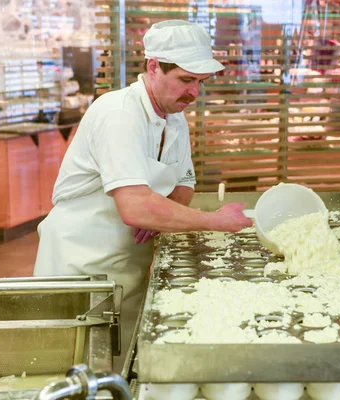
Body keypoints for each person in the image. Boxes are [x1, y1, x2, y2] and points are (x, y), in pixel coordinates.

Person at [33, 20, 252, 298]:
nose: (194, 93)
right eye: (186, 80)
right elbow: (135, 208)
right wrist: (217, 221)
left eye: (200, 82)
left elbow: (183, 186)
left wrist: (157, 215)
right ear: (153, 67)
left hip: (129, 265)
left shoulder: (175, 117)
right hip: (79, 265)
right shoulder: (119, 114)